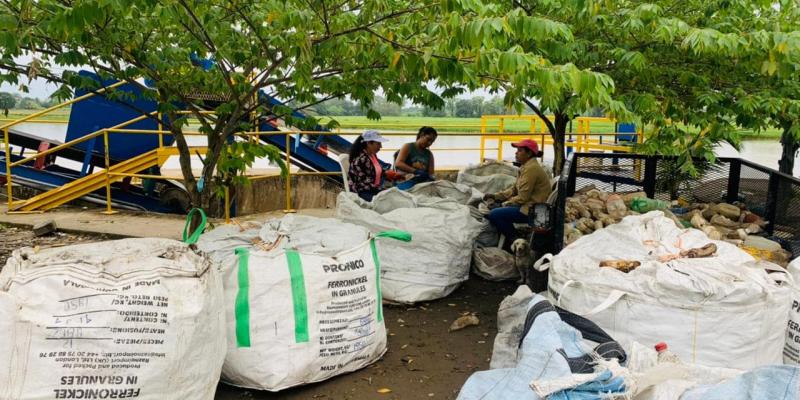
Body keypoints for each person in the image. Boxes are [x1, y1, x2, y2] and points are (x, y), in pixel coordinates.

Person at [484, 139, 552, 241]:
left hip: (533, 210)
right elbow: (514, 189)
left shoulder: (532, 169)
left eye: (520, 150)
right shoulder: (525, 167)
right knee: (494, 210)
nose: (516, 153)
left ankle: (515, 240)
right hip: (528, 206)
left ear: (529, 154)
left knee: (494, 214)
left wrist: (503, 204)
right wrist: (495, 196)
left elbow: (522, 198)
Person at [348, 130, 402, 201]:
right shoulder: (362, 159)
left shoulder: (372, 155)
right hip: (362, 192)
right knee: (391, 199)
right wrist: (383, 190)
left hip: (371, 190)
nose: (381, 146)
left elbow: (375, 171)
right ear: (368, 143)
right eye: (378, 144)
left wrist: (392, 175)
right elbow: (363, 184)